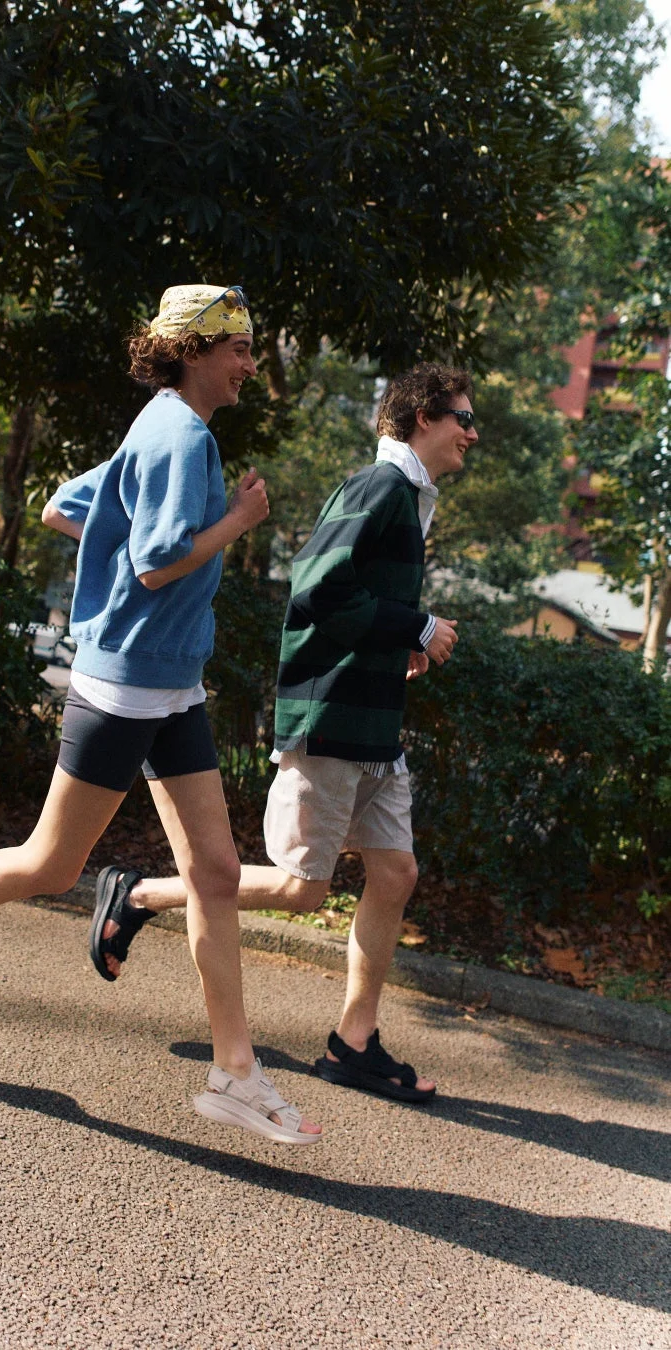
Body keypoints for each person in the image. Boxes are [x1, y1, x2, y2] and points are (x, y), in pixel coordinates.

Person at [0, 283, 321, 1147]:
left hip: (171, 684)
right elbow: (158, 561)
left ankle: (236, 1073)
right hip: (129, 686)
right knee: (51, 865)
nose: (251, 364)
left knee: (213, 872)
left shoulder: (159, 423)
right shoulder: (181, 434)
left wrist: (117, 557)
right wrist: (238, 522)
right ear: (198, 349)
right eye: (240, 348)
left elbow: (67, 505)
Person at [91, 362, 478, 1104]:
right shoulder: (381, 487)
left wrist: (396, 645)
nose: (472, 432)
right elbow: (316, 586)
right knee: (303, 891)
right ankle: (139, 895)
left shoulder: (407, 498)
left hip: (370, 724)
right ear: (422, 416)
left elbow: (350, 604)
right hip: (331, 721)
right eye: (462, 416)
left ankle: (352, 1044)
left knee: (395, 875)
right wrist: (417, 625)